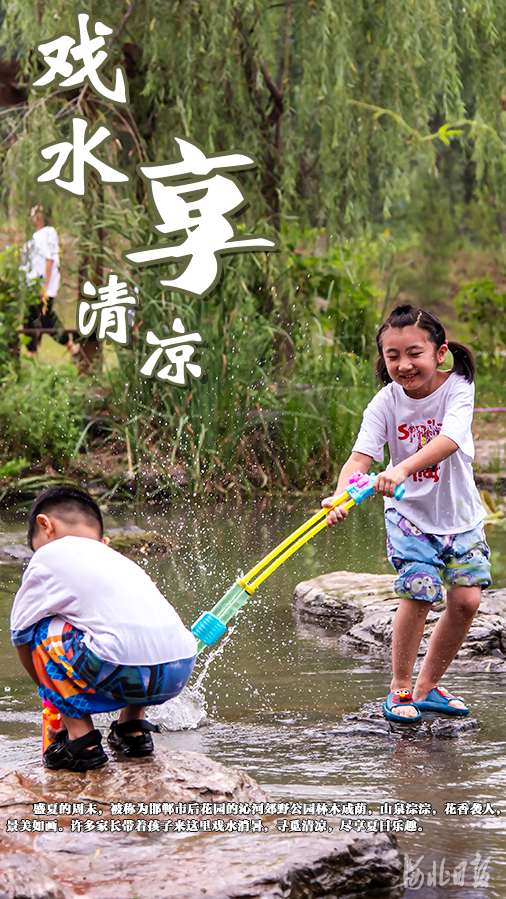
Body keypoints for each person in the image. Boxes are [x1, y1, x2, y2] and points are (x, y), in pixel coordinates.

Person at [322, 304, 491, 724]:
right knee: (419, 591)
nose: (404, 365)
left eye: (414, 353)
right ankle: (400, 688)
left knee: (467, 601)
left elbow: (450, 438)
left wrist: (399, 468)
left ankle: (428, 686)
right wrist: (342, 495)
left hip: (460, 514)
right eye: (392, 356)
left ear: (440, 352)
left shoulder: (459, 387)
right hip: (409, 514)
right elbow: (360, 458)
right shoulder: (384, 403)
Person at [10, 486, 197, 770]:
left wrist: (54, 695)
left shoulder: (48, 556)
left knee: (39, 630)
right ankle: (132, 730)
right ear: (103, 540)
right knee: (122, 629)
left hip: (120, 664)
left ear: (45, 525)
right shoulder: (119, 560)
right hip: (178, 670)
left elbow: (20, 634)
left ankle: (81, 740)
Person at [20, 205, 79, 358]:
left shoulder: (49, 233)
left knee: (46, 319)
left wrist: (44, 286)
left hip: (42, 286)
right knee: (30, 320)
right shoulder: (35, 235)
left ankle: (73, 349)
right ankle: (33, 355)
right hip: (31, 285)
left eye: (35, 210)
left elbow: (50, 259)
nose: (31, 212)